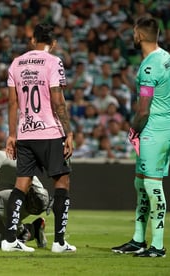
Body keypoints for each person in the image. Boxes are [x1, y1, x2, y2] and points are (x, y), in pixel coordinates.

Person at [2, 23, 76, 253]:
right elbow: (57, 100)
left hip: (25, 133)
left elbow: (12, 102)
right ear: (52, 43)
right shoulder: (54, 62)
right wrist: (68, 132)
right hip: (50, 132)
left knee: (21, 185)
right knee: (62, 182)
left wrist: (12, 134)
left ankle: (10, 239)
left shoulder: (16, 63)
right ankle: (59, 242)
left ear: (33, 41)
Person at [111, 16, 169, 258]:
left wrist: (133, 131)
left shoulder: (148, 67)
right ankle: (138, 240)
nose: (132, 37)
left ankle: (157, 245)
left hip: (153, 130)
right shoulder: (165, 57)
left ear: (140, 35)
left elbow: (143, 109)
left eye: (134, 33)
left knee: (151, 185)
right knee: (141, 183)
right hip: (164, 127)